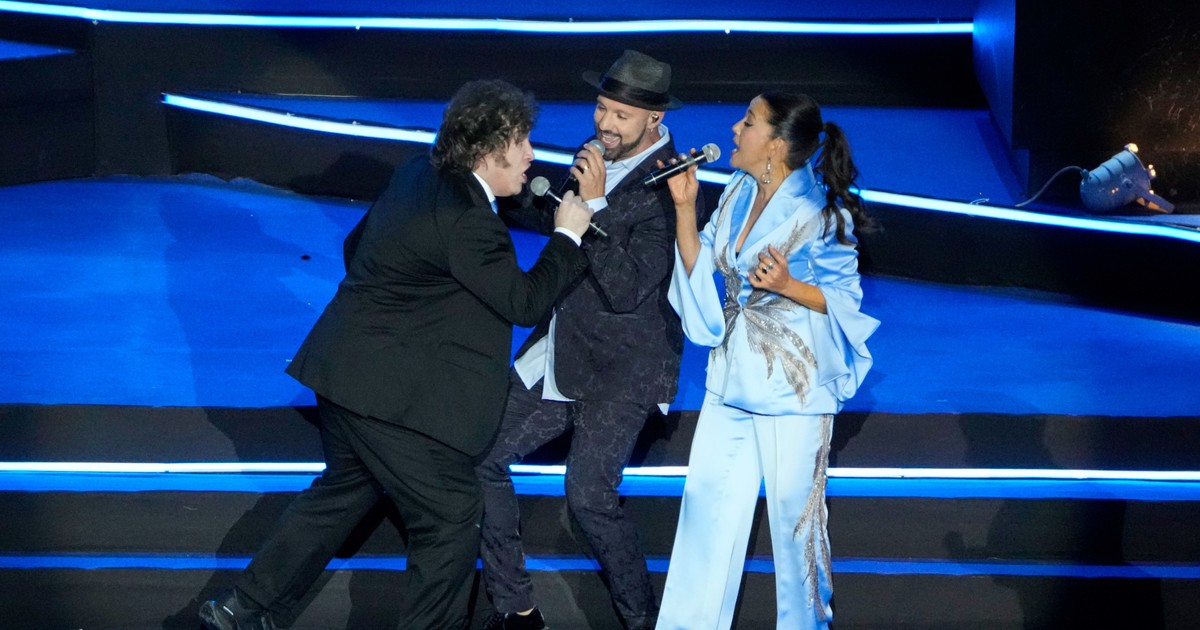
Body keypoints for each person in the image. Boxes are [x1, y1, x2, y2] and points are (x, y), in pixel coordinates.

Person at [197, 79, 593, 630]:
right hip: (386, 399)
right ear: (487, 150)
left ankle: (241, 610)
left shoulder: (417, 173)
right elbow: (524, 301)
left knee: (342, 493)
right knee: (451, 516)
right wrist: (568, 237)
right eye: (522, 141)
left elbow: (355, 248)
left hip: (343, 373)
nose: (531, 154)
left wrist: (416, 315)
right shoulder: (468, 220)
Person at [477, 50, 699, 630]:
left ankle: (643, 621)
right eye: (602, 108)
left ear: (653, 119)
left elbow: (627, 290)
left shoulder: (669, 187)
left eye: (621, 115)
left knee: (590, 498)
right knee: (479, 457)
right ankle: (516, 609)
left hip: (623, 367)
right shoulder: (597, 154)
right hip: (559, 346)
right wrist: (496, 184)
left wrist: (594, 206)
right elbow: (554, 221)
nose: (605, 123)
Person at [655, 92, 879, 630]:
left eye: (749, 122)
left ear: (776, 145)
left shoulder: (822, 213)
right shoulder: (737, 190)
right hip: (729, 381)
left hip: (793, 392)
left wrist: (789, 285)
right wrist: (684, 208)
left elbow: (847, 303)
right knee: (705, 512)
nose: (735, 129)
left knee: (795, 528)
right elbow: (703, 261)